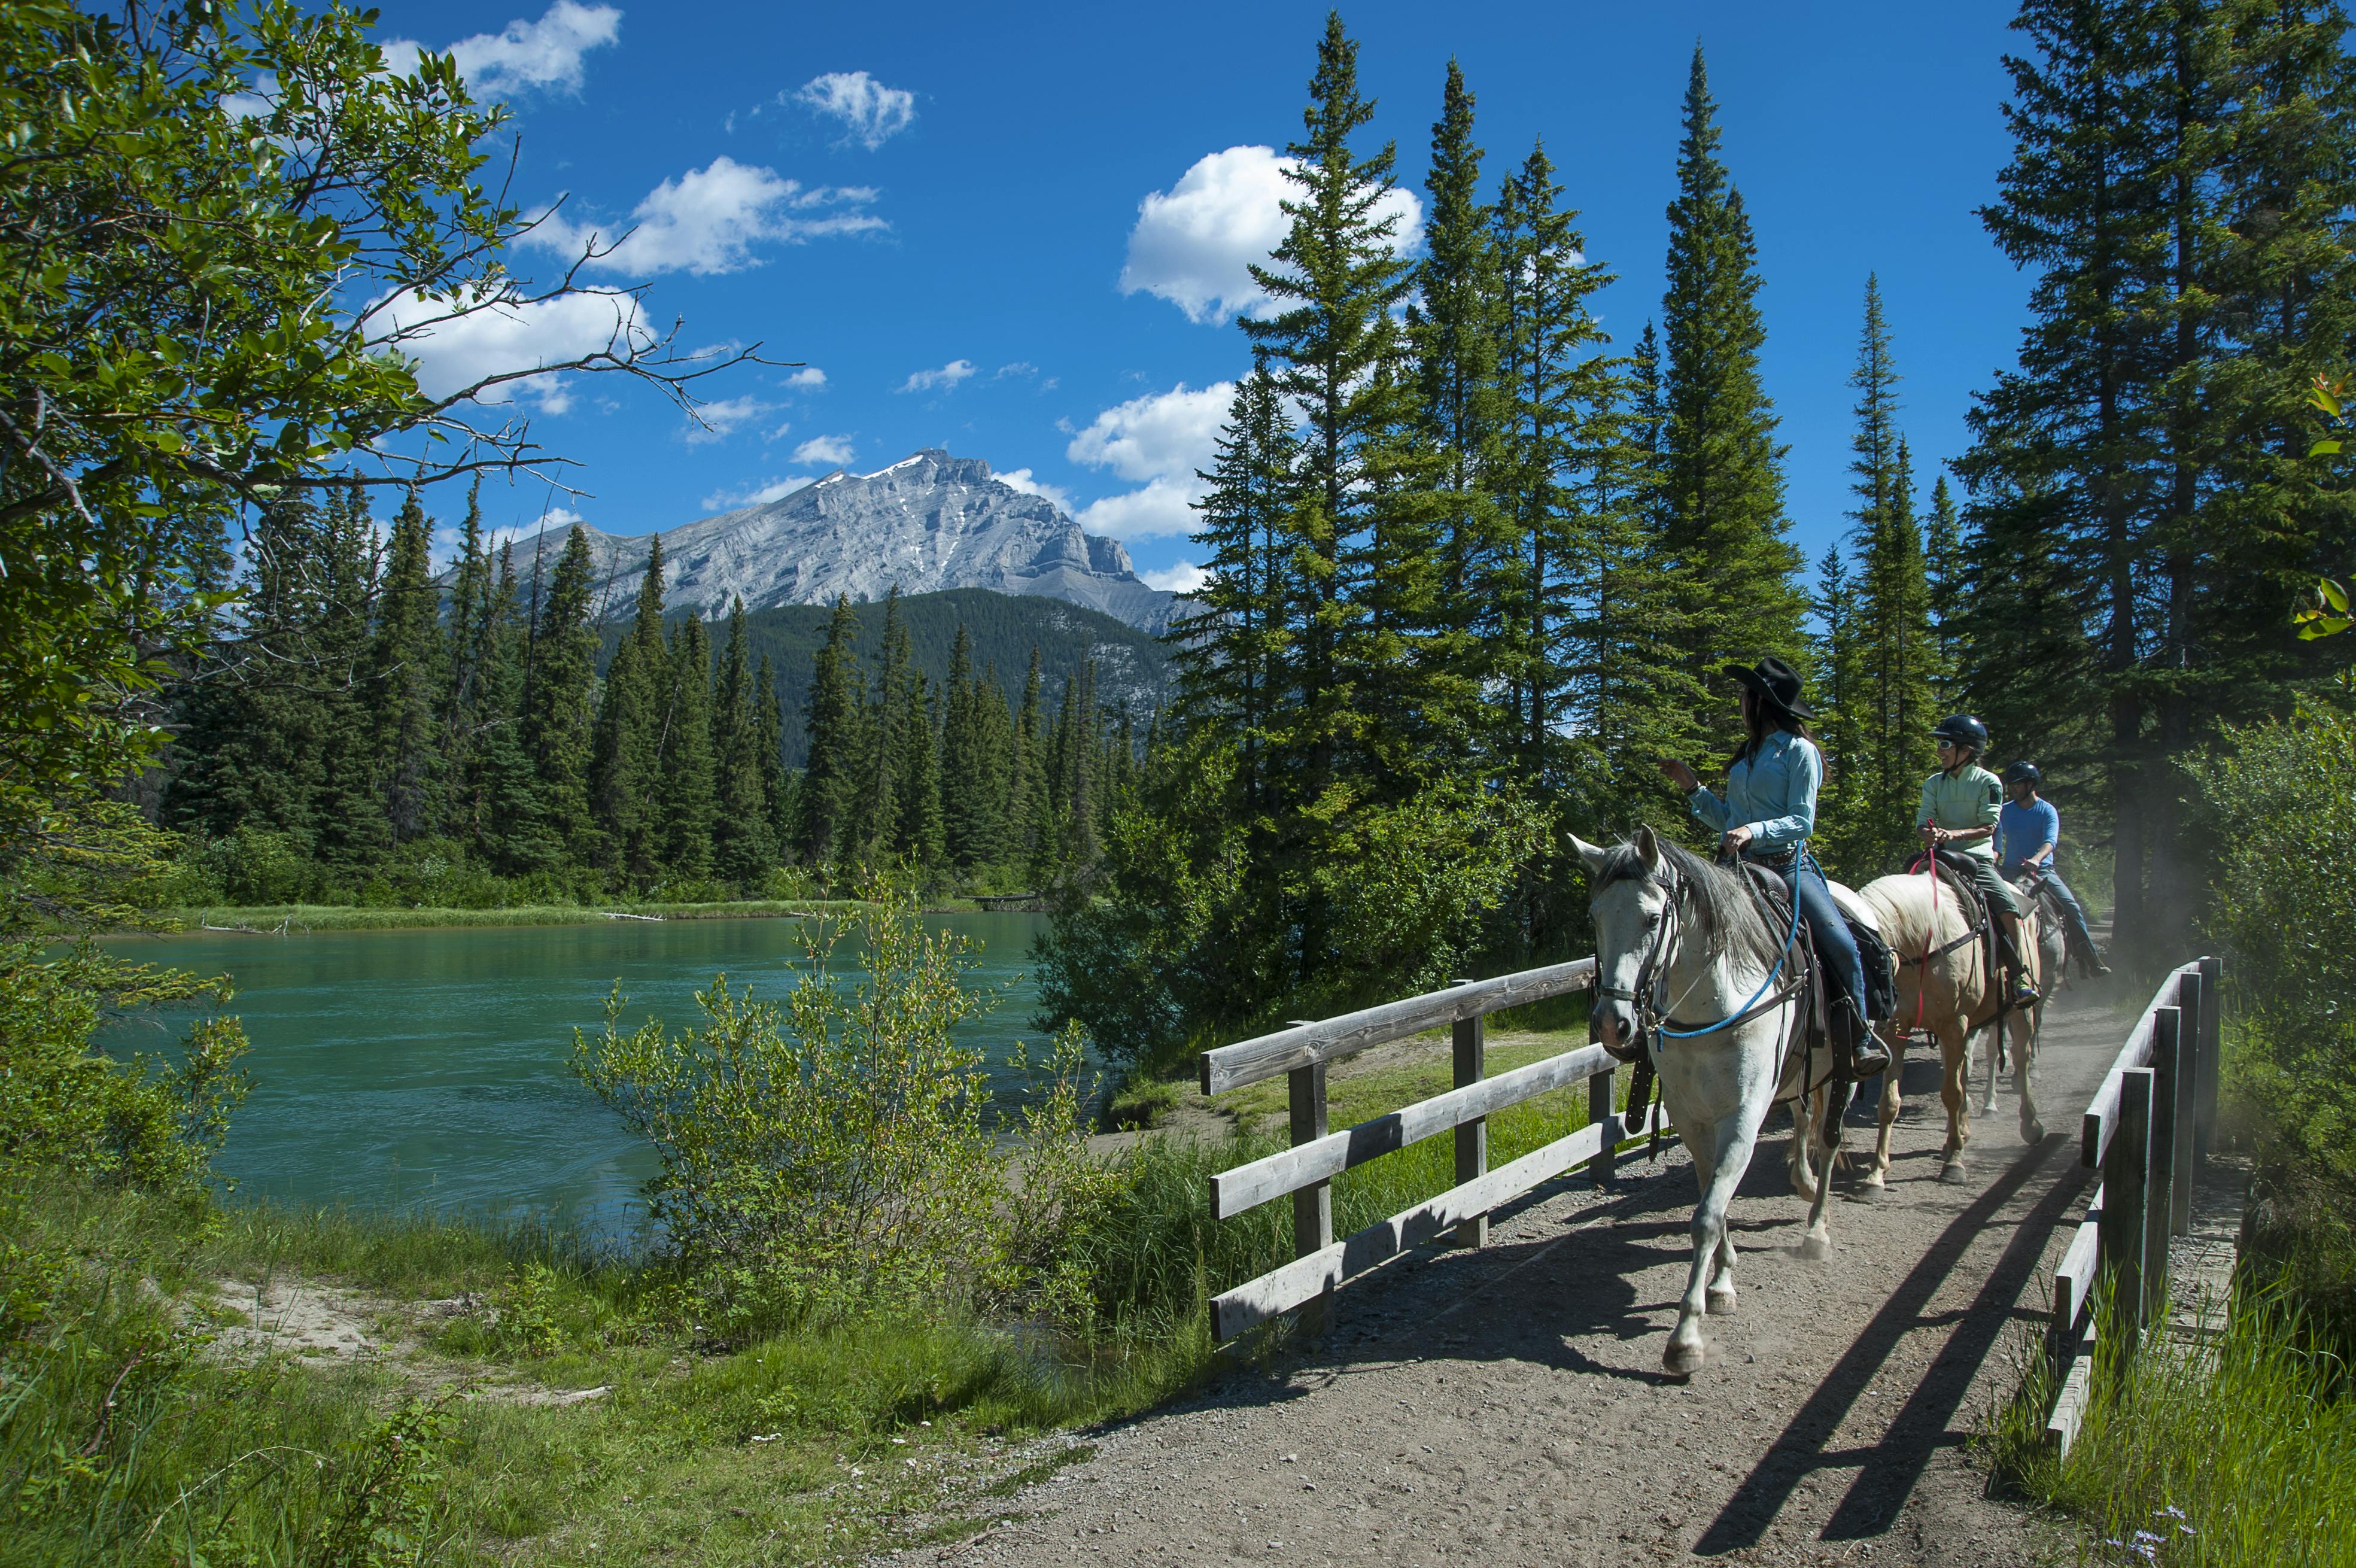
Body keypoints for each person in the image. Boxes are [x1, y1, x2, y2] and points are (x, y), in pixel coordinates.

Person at [1657, 656, 1890, 1078]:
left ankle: (1860, 1036)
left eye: (1746, 695)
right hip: (1737, 869)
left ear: (1762, 702)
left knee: (1839, 941)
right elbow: (1729, 820)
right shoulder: (1746, 756)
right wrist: (1692, 788)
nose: (1740, 702)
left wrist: (1754, 830)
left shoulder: (1800, 753)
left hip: (1787, 867)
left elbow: (1802, 821)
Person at [1916, 715, 2041, 1006]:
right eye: (1940, 744)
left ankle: (2018, 977)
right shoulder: (1934, 783)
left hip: (1977, 861)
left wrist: (1952, 834)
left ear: (1967, 750)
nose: (1939, 750)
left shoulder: (1989, 782)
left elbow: (1989, 826)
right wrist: (1928, 833)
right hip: (1939, 857)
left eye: (1945, 744)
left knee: (2008, 909)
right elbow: (1923, 821)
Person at [1996, 761, 2111, 977]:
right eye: (2011, 784)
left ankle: (2088, 957)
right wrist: (1995, 856)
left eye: (2018, 784)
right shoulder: (2004, 811)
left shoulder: (2047, 810)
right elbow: (1995, 836)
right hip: (2010, 871)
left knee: (2071, 907)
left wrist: (2037, 859)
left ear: (2031, 784)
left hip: (2043, 872)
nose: (2013, 788)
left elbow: (2050, 841)